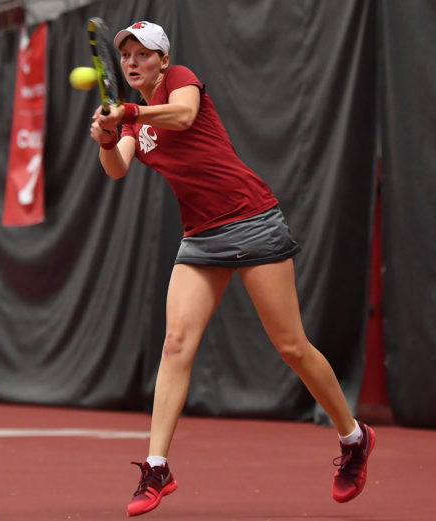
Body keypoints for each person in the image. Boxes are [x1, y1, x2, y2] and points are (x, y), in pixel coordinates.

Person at [89, 21, 376, 517]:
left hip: (252, 219)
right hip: (200, 236)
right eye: (126, 56)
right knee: (176, 342)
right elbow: (117, 169)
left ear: (162, 59)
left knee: (291, 345)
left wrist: (131, 110)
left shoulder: (180, 79)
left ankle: (353, 439)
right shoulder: (134, 120)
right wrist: (108, 137)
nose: (133, 63)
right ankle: (158, 467)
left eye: (143, 54)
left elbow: (183, 116)